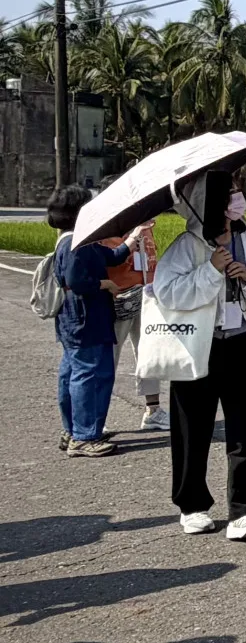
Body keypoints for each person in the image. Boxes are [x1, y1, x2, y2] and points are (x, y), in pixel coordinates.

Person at [154, 165, 246, 539]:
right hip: (198, 346)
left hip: (242, 343)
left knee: (243, 430)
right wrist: (211, 270)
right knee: (192, 429)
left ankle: (243, 512)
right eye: (230, 193)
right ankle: (192, 505)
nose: (238, 199)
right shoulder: (187, 246)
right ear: (209, 202)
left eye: (237, 191)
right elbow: (168, 293)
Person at [46, 185, 145, 457]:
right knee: (90, 374)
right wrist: (105, 284)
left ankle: (74, 429)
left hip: (77, 319)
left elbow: (112, 257)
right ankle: (84, 436)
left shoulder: (76, 240)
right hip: (85, 318)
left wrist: (132, 238)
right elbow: (77, 281)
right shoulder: (76, 244)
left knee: (73, 372)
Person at [110, 224, 166, 432]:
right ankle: (97, 414)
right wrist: (131, 240)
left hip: (147, 296)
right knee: (109, 357)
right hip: (120, 299)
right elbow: (108, 259)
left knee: (149, 354)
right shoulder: (110, 226)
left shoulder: (146, 226)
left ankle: (153, 410)